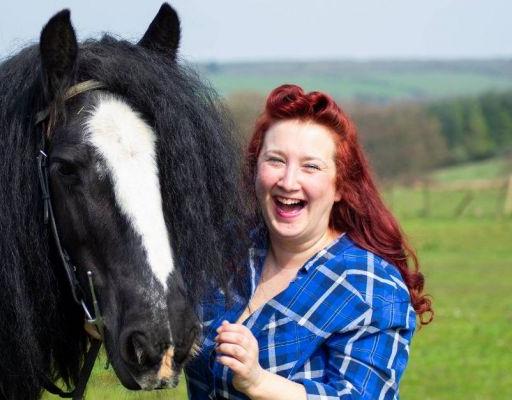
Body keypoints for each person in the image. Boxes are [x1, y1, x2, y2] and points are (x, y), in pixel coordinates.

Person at [185, 84, 433, 399]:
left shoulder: (370, 286)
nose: (288, 182)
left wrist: (259, 382)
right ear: (255, 168)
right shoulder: (223, 249)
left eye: (310, 166)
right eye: (275, 160)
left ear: (341, 185)